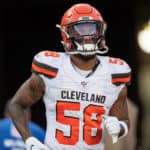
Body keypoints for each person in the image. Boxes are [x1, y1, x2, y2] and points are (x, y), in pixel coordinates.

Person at [9, 3, 132, 150]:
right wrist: (29, 140)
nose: (88, 37)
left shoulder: (115, 74)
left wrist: (120, 127)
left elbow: (124, 120)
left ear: (101, 31)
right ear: (66, 33)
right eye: (81, 30)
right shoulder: (51, 69)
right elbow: (16, 105)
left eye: (93, 29)